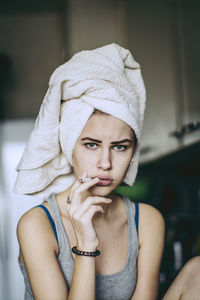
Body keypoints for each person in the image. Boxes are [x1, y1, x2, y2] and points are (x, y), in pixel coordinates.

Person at [14, 43, 165, 300]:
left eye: (119, 147)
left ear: (132, 153)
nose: (105, 163)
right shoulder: (38, 225)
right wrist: (86, 247)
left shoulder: (147, 221)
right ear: (69, 146)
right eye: (91, 145)